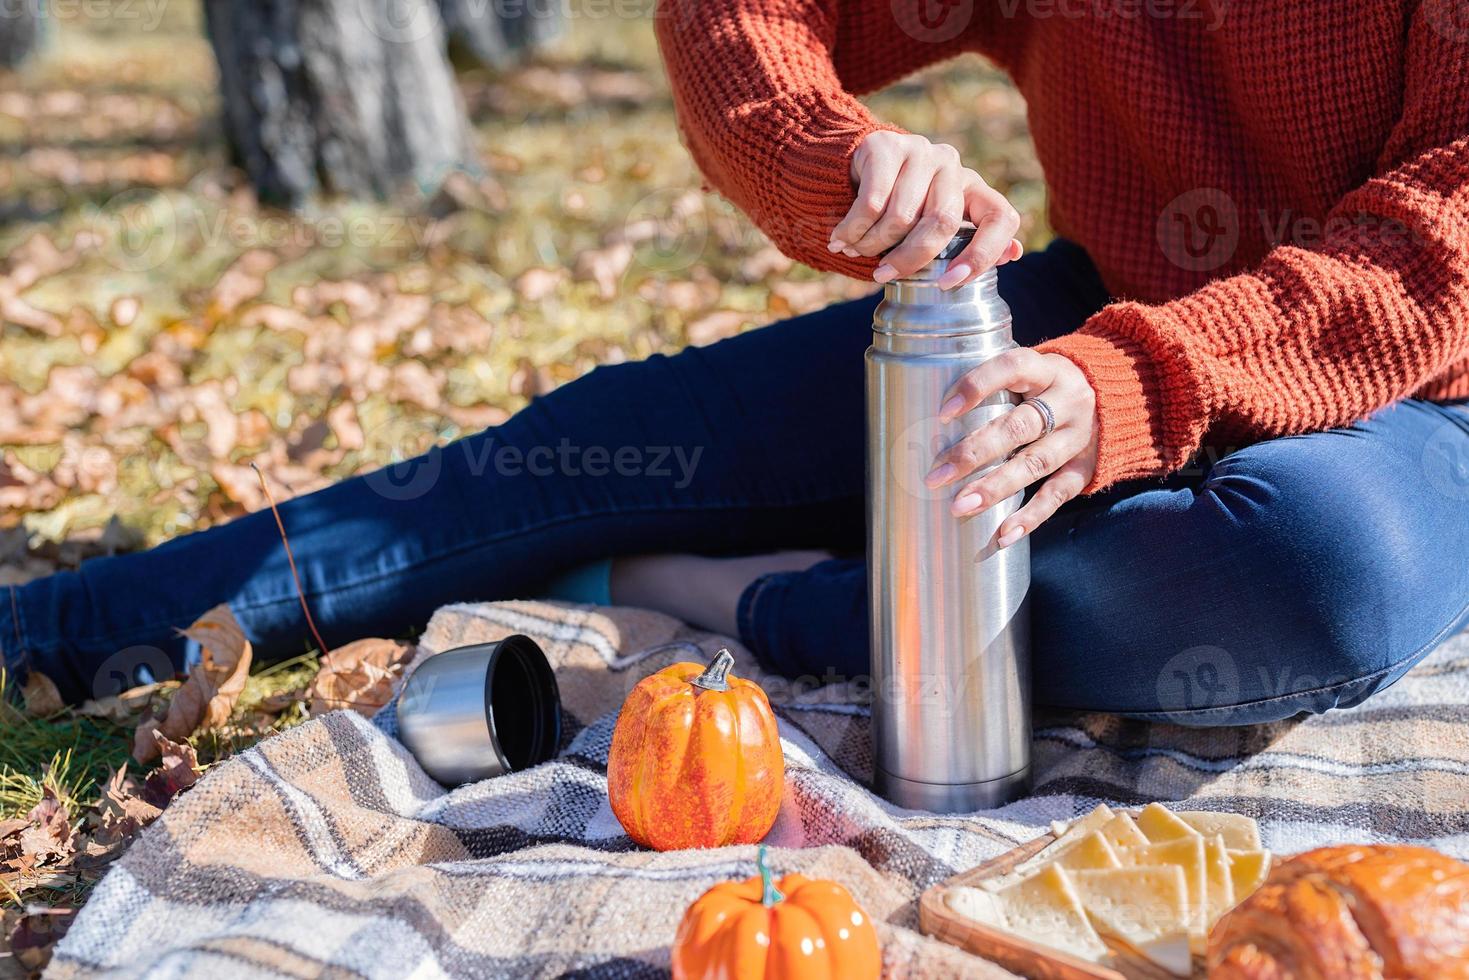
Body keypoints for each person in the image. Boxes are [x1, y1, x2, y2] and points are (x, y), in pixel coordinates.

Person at [6, 2, 1468, 726]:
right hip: (1093, 310)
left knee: (1307, 577)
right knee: (576, 457)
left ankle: (749, 602)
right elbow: (743, 11)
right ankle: (49, 633)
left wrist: (1140, 388)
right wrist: (833, 155)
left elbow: (1447, 227)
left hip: (1424, 382)